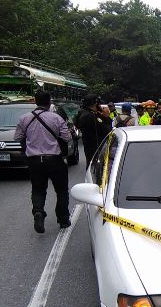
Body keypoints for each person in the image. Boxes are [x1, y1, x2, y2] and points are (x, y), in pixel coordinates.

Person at [14, 90, 72, 233]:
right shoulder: (56, 118)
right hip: (54, 160)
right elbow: (67, 137)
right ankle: (63, 219)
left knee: (38, 189)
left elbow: (17, 138)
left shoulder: (24, 118)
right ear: (49, 101)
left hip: (34, 161)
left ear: (35, 101)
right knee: (61, 190)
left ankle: (38, 211)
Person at [76, 93, 112, 168]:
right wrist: (106, 117)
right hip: (96, 149)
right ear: (95, 103)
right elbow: (107, 131)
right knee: (95, 169)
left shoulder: (82, 114)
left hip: (88, 147)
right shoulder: (91, 116)